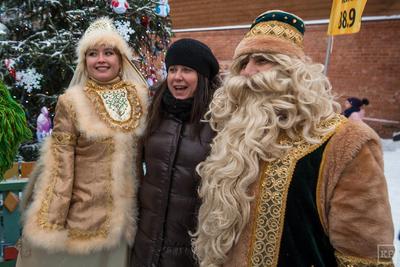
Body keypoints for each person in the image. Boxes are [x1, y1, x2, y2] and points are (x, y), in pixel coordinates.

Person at [192, 10, 394, 267]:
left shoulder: (346, 142)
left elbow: (371, 253)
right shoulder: (235, 134)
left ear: (294, 73)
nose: (247, 72)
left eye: (262, 60)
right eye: (243, 63)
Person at [16, 17, 148, 267]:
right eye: (92, 54)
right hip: (82, 219)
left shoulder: (140, 98)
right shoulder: (71, 102)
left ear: (120, 59)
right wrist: (51, 223)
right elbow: (60, 167)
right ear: (84, 61)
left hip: (126, 224)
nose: (101, 60)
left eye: (108, 52)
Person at [131, 38, 220, 267]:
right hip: (145, 246)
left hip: (190, 252)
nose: (177, 77)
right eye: (172, 69)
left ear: (203, 77)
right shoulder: (154, 114)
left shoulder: (219, 122)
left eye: (187, 70)